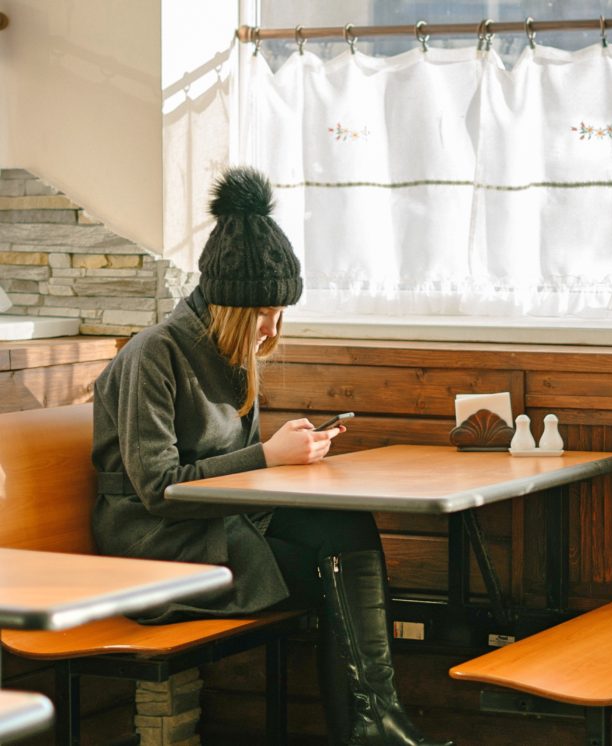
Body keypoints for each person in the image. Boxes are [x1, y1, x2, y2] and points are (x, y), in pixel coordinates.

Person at [90, 166, 453, 746]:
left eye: (280, 313)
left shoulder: (230, 354)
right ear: (229, 305)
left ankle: (374, 726)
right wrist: (266, 456)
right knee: (329, 573)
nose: (272, 329)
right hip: (154, 544)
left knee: (346, 528)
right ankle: (369, 729)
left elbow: (235, 469)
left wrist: (284, 456)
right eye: (264, 313)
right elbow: (158, 490)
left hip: (220, 522)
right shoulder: (152, 355)